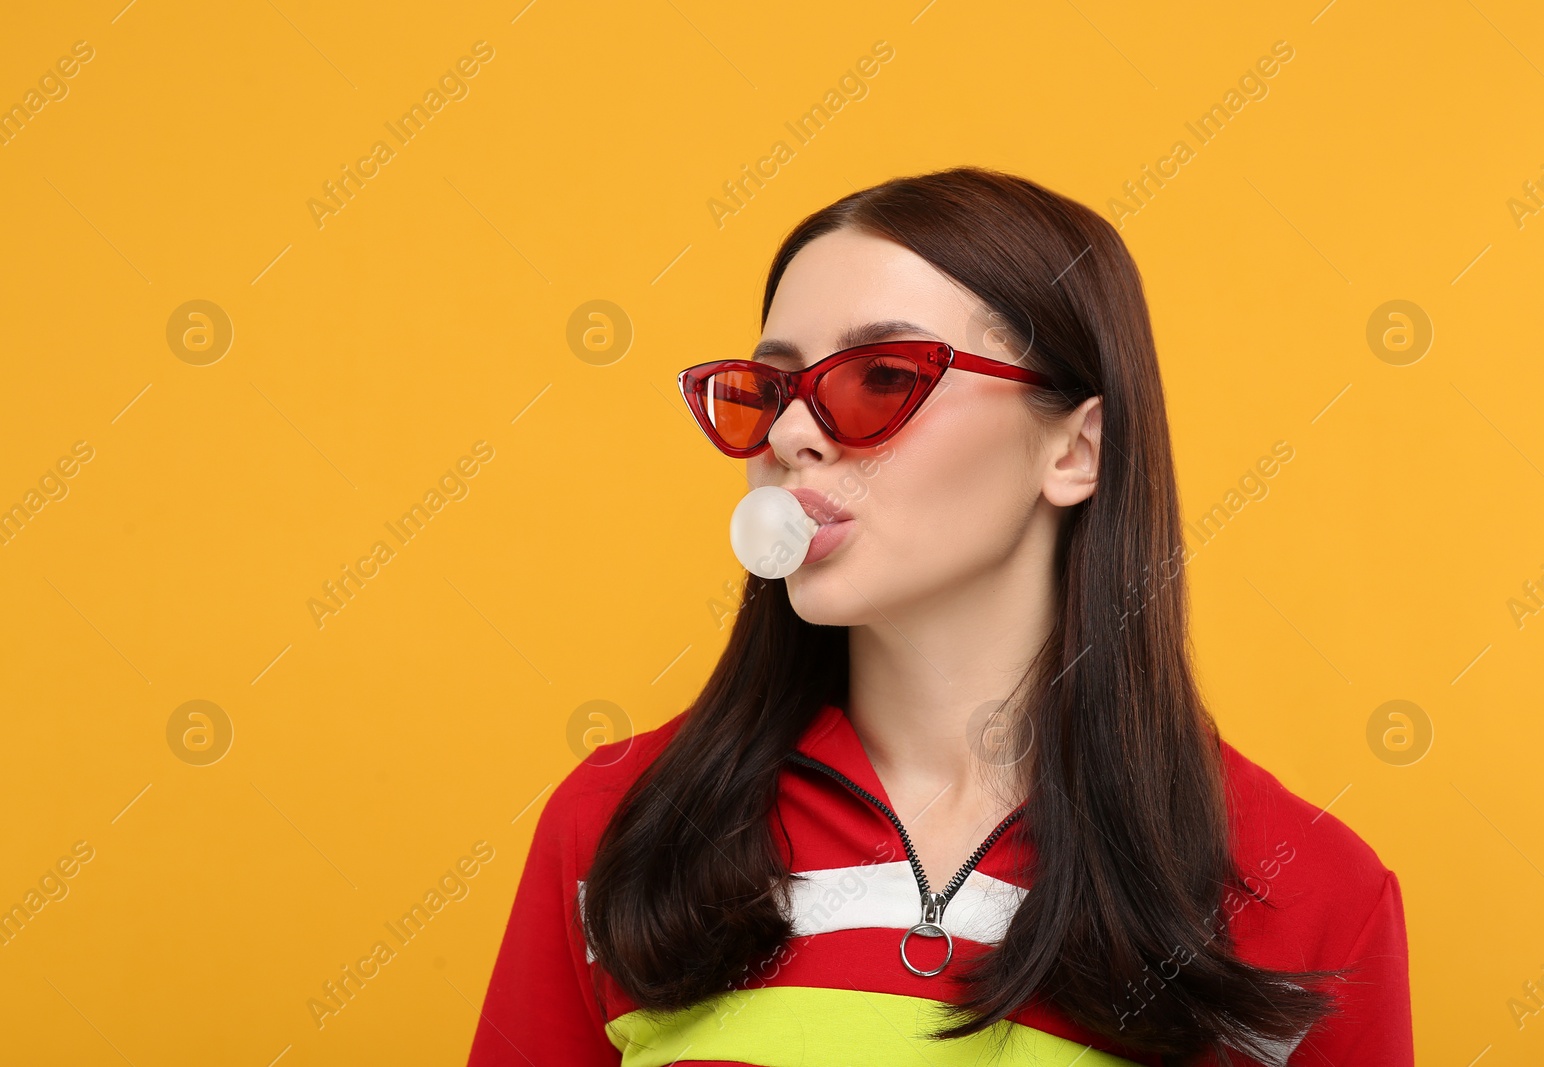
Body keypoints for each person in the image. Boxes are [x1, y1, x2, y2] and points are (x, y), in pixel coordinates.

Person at [466, 166, 1413, 1066]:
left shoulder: (1305, 890)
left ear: (1076, 450)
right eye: (771, 390)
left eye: (881, 378)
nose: (793, 435)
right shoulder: (616, 829)